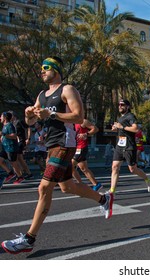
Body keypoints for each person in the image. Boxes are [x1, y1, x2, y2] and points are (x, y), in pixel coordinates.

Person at [1, 56, 113, 255]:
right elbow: (30, 122)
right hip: (51, 145)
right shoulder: (42, 95)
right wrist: (29, 114)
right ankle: (104, 200)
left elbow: (79, 116)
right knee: (67, 187)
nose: (41, 71)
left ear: (56, 69)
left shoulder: (67, 89)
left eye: (45, 68)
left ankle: (29, 239)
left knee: (44, 187)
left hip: (64, 142)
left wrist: (51, 115)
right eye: (41, 69)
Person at [109, 99, 150, 194]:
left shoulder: (130, 116)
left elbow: (136, 129)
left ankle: (148, 179)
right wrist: (115, 128)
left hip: (129, 146)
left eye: (122, 105)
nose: (120, 106)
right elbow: (121, 129)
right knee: (115, 166)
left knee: (132, 169)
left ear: (128, 106)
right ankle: (112, 190)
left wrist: (122, 127)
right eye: (119, 104)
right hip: (119, 145)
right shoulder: (120, 118)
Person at [72, 118, 102, 192]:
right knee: (84, 168)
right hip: (75, 148)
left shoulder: (83, 121)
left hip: (81, 147)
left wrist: (86, 134)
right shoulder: (71, 123)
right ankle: (96, 184)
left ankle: (81, 185)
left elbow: (95, 129)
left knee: (70, 166)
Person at [0, 111, 25, 184]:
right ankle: (10, 173)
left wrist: (4, 134)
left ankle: (20, 177)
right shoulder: (4, 126)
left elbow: (14, 136)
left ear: (5, 117)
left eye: (1, 116)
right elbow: (4, 136)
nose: (0, 118)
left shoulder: (10, 125)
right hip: (5, 147)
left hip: (11, 147)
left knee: (13, 163)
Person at [9, 111, 34, 180]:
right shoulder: (11, 124)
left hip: (21, 141)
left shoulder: (19, 122)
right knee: (19, 158)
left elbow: (29, 128)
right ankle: (25, 173)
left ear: (13, 116)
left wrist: (28, 138)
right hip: (15, 142)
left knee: (17, 158)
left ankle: (22, 174)